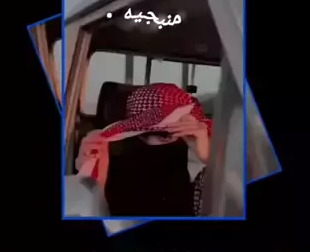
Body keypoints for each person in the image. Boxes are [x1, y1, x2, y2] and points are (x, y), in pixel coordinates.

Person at [75, 83, 212, 217]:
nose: (149, 142)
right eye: (142, 133)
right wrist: (92, 183)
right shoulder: (107, 162)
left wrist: (210, 159)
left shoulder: (203, 181)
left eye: (164, 134)